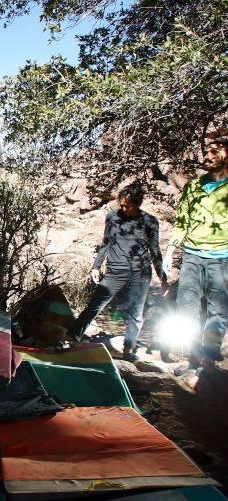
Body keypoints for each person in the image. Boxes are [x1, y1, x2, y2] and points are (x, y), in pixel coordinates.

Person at [65, 182, 168, 361]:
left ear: (137, 203)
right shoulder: (112, 217)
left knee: (136, 314)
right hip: (115, 272)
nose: (123, 208)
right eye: (121, 203)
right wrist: (96, 266)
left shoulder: (150, 221)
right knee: (94, 307)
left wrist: (162, 277)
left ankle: (129, 350)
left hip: (140, 273)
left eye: (127, 205)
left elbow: (155, 250)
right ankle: (69, 339)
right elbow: (106, 243)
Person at [163, 138, 228, 372]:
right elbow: (182, 222)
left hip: (222, 258)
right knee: (185, 305)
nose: (207, 156)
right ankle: (191, 357)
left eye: (214, 152)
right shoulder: (194, 186)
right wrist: (170, 252)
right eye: (206, 152)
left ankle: (210, 356)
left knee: (218, 310)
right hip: (192, 255)